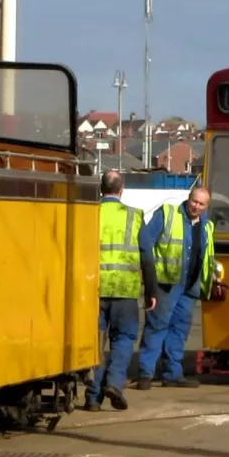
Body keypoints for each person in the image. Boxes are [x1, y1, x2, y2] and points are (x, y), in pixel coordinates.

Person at [86, 170, 157, 412]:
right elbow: (147, 256)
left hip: (92, 289)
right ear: (122, 189)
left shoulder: (89, 213)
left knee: (95, 342)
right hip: (125, 290)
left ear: (100, 189)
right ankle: (115, 383)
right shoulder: (134, 216)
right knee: (124, 339)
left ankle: (92, 397)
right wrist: (151, 291)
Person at [135, 186, 217, 390]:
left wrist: (210, 275)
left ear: (207, 207)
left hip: (190, 286)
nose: (196, 206)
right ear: (188, 199)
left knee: (179, 329)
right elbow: (146, 242)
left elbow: (206, 255)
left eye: (201, 204)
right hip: (167, 282)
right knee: (157, 326)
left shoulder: (207, 226)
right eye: (194, 201)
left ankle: (172, 373)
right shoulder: (167, 214)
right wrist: (149, 279)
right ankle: (146, 373)